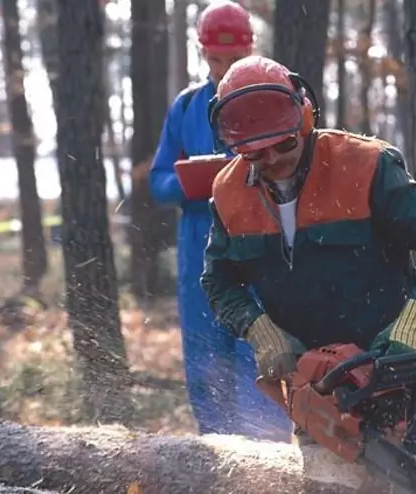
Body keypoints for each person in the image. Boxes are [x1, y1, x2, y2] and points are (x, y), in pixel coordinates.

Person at [200, 55, 416, 460]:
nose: (272, 160)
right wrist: (258, 329)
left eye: (283, 145)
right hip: (313, 383)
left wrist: (415, 320)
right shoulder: (228, 192)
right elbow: (218, 279)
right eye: (257, 154)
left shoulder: (364, 165)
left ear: (305, 118)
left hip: (390, 365)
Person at [148, 3, 293, 440]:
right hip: (199, 251)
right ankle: (214, 458)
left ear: (251, 50)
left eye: (233, 61)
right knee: (205, 359)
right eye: (215, 60)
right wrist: (191, 182)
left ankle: (268, 463)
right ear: (202, 53)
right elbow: (158, 182)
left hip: (261, 251)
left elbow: (296, 168)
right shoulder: (187, 106)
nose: (222, 70)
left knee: (261, 353)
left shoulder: (274, 97)